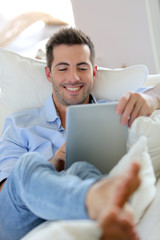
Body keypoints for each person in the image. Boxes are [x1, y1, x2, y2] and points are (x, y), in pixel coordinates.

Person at [0, 27, 159, 240]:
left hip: (83, 211)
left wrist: (151, 98)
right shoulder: (19, 124)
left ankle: (103, 210)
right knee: (27, 164)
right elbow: (6, 190)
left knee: (82, 168)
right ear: (49, 74)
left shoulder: (117, 110)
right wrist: (54, 163)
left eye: (82, 68)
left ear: (93, 71)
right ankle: (94, 200)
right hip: (25, 220)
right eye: (63, 68)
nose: (73, 78)